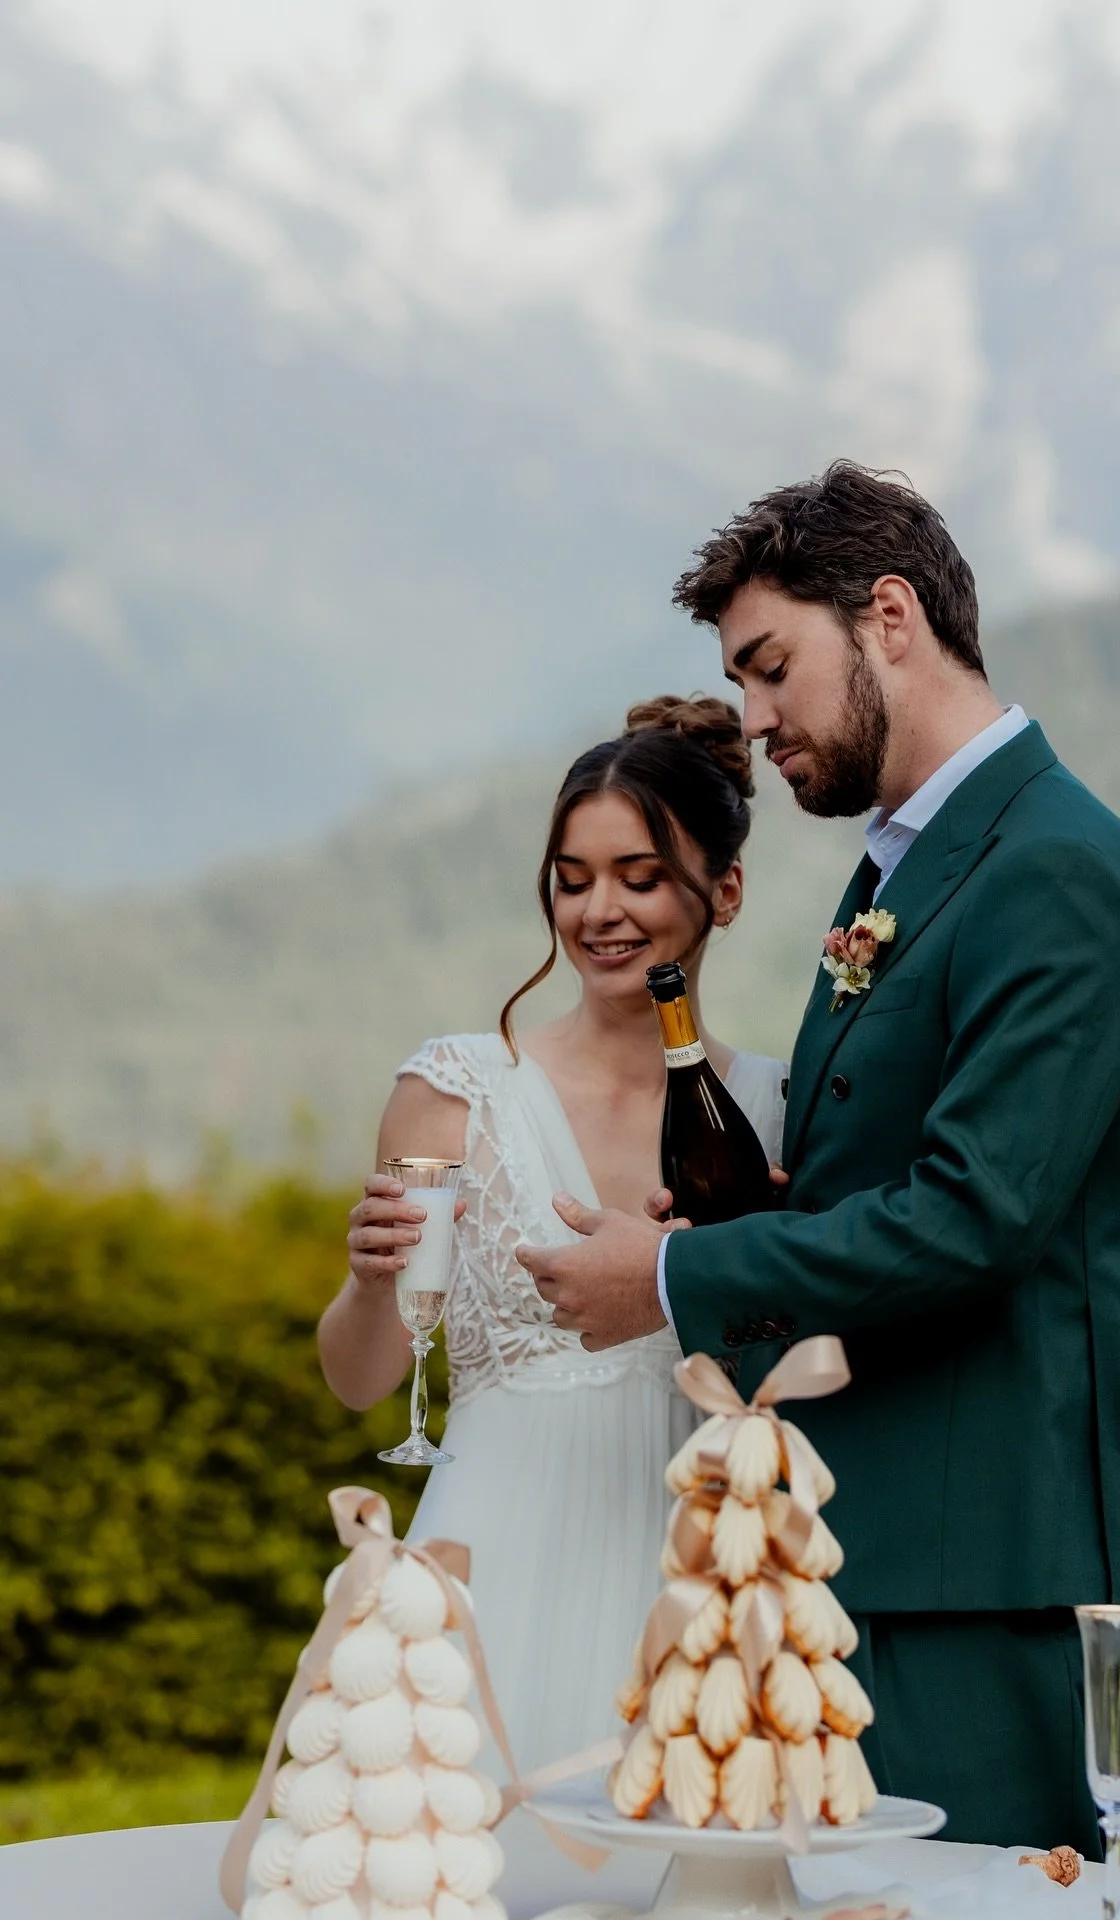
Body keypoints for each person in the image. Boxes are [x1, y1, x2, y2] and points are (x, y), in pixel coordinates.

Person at [516, 463, 1120, 1852]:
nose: (752, 723)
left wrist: (685, 1275)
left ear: (889, 617)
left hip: (977, 1579)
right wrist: (766, 1211)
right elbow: (897, 1171)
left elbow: (975, 1217)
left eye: (771, 670)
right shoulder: (904, 867)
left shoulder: (1054, 866)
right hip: (862, 1560)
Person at [318, 695, 786, 1771]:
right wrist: (366, 1282)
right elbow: (360, 1381)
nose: (598, 913)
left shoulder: (777, 1110)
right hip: (493, 1571)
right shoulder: (455, 1092)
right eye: (572, 881)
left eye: (639, 876)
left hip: (699, 1582)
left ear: (725, 890)